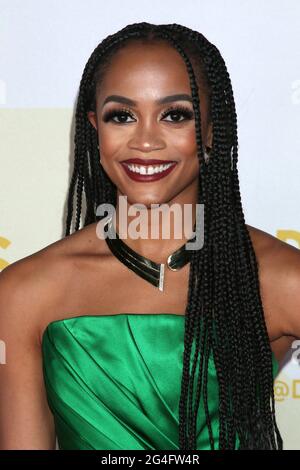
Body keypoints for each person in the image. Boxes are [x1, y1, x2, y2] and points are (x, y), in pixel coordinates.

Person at [0, 21, 300, 451]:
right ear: (95, 128)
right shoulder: (25, 291)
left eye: (175, 115)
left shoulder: (280, 277)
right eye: (121, 116)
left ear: (214, 128)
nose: (145, 141)